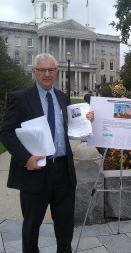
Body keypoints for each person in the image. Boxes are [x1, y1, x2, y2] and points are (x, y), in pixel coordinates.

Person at [0, 53, 94, 253]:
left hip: (62, 171)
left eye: (51, 70)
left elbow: (71, 128)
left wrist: (87, 119)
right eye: (42, 70)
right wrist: (25, 158)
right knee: (31, 227)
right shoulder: (20, 98)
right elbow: (5, 132)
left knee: (65, 227)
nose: (47, 74)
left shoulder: (62, 97)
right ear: (34, 72)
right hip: (35, 170)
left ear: (57, 72)